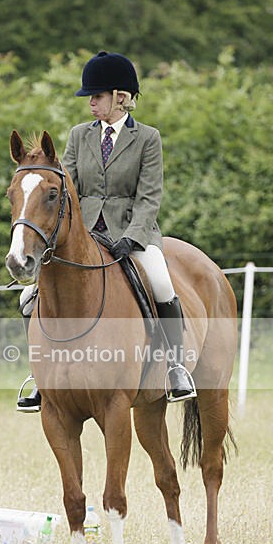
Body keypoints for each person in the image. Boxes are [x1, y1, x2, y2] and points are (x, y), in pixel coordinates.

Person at [17, 51, 196, 411]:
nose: (91, 104)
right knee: (26, 299)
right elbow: (67, 187)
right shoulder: (79, 135)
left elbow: (149, 196)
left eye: (97, 97)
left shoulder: (147, 138)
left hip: (132, 234)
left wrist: (133, 235)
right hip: (84, 236)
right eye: (90, 98)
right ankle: (41, 377)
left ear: (120, 96)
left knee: (161, 281)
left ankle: (175, 367)